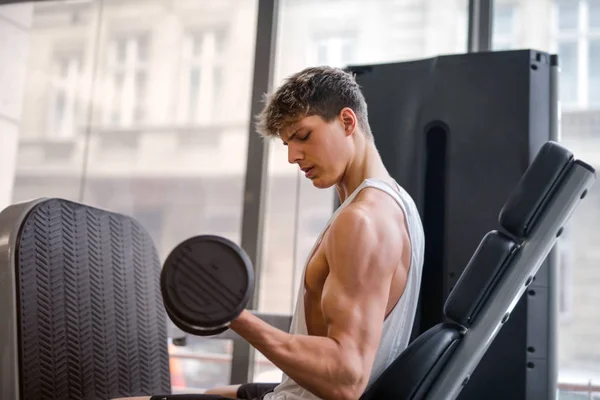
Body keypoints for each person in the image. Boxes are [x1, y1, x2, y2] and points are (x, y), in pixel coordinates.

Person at [114, 66, 424, 400]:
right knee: (216, 391)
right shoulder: (398, 203)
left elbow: (345, 380)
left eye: (303, 136)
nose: (293, 156)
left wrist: (233, 316)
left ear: (347, 122)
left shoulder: (361, 221)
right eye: (288, 144)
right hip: (300, 391)